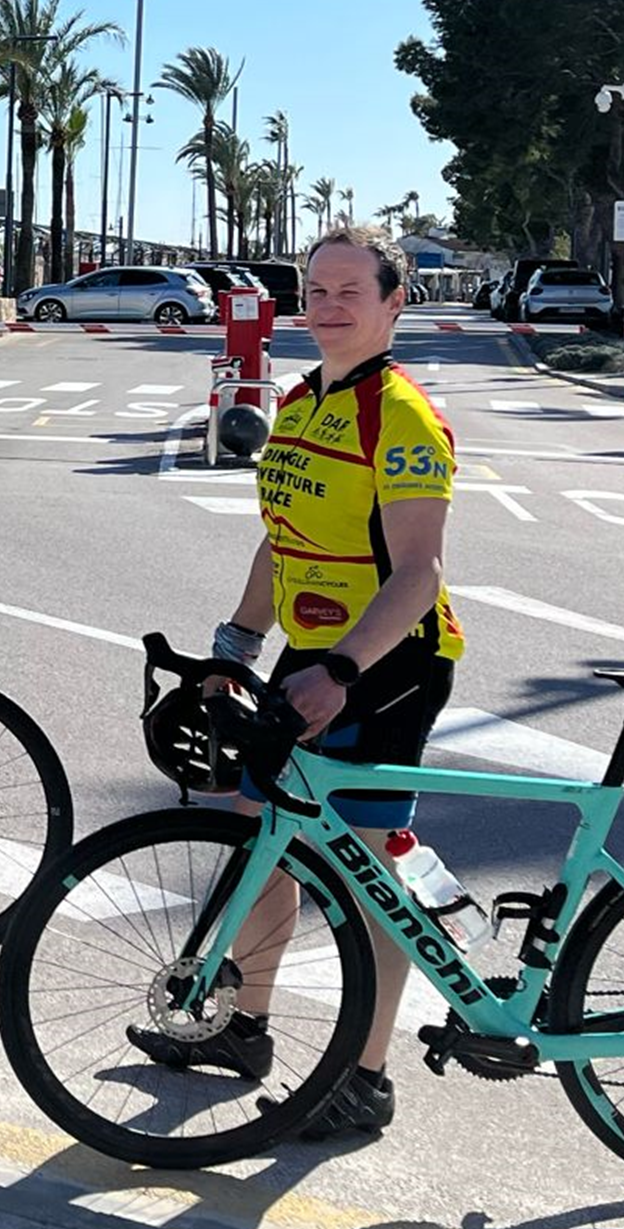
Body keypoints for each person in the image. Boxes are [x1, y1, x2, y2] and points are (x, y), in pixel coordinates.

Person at [131, 220, 462, 1143]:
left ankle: (365, 1077)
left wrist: (345, 672)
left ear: (396, 302)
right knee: (256, 833)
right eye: (316, 292)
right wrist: (237, 643)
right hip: (311, 657)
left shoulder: (400, 416)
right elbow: (283, 540)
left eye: (352, 291)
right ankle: (246, 1027)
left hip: (389, 664)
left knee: (367, 876)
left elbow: (417, 574)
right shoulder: (304, 396)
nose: (328, 308)